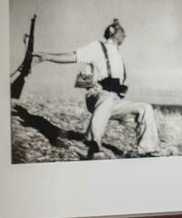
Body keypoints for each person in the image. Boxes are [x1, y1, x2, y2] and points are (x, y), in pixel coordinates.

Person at [34, 18, 159, 158]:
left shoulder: (118, 55)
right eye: (122, 31)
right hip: (98, 97)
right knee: (106, 98)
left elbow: (116, 85)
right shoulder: (97, 47)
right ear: (112, 31)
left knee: (145, 108)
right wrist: (46, 56)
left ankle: (148, 151)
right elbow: (74, 58)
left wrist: (119, 92)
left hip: (113, 101)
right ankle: (90, 143)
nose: (125, 34)